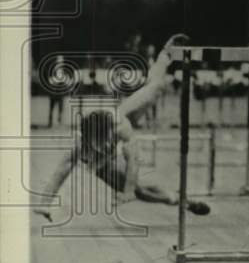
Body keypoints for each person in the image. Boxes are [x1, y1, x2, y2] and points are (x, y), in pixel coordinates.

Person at [33, 34, 210, 222]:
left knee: (157, 87)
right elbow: (61, 172)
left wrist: (128, 191)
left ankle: (165, 54)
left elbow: (133, 158)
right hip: (100, 161)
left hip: (120, 116)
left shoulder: (119, 124)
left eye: (106, 140)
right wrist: (44, 203)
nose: (105, 143)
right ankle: (182, 201)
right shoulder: (80, 145)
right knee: (141, 189)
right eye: (100, 142)